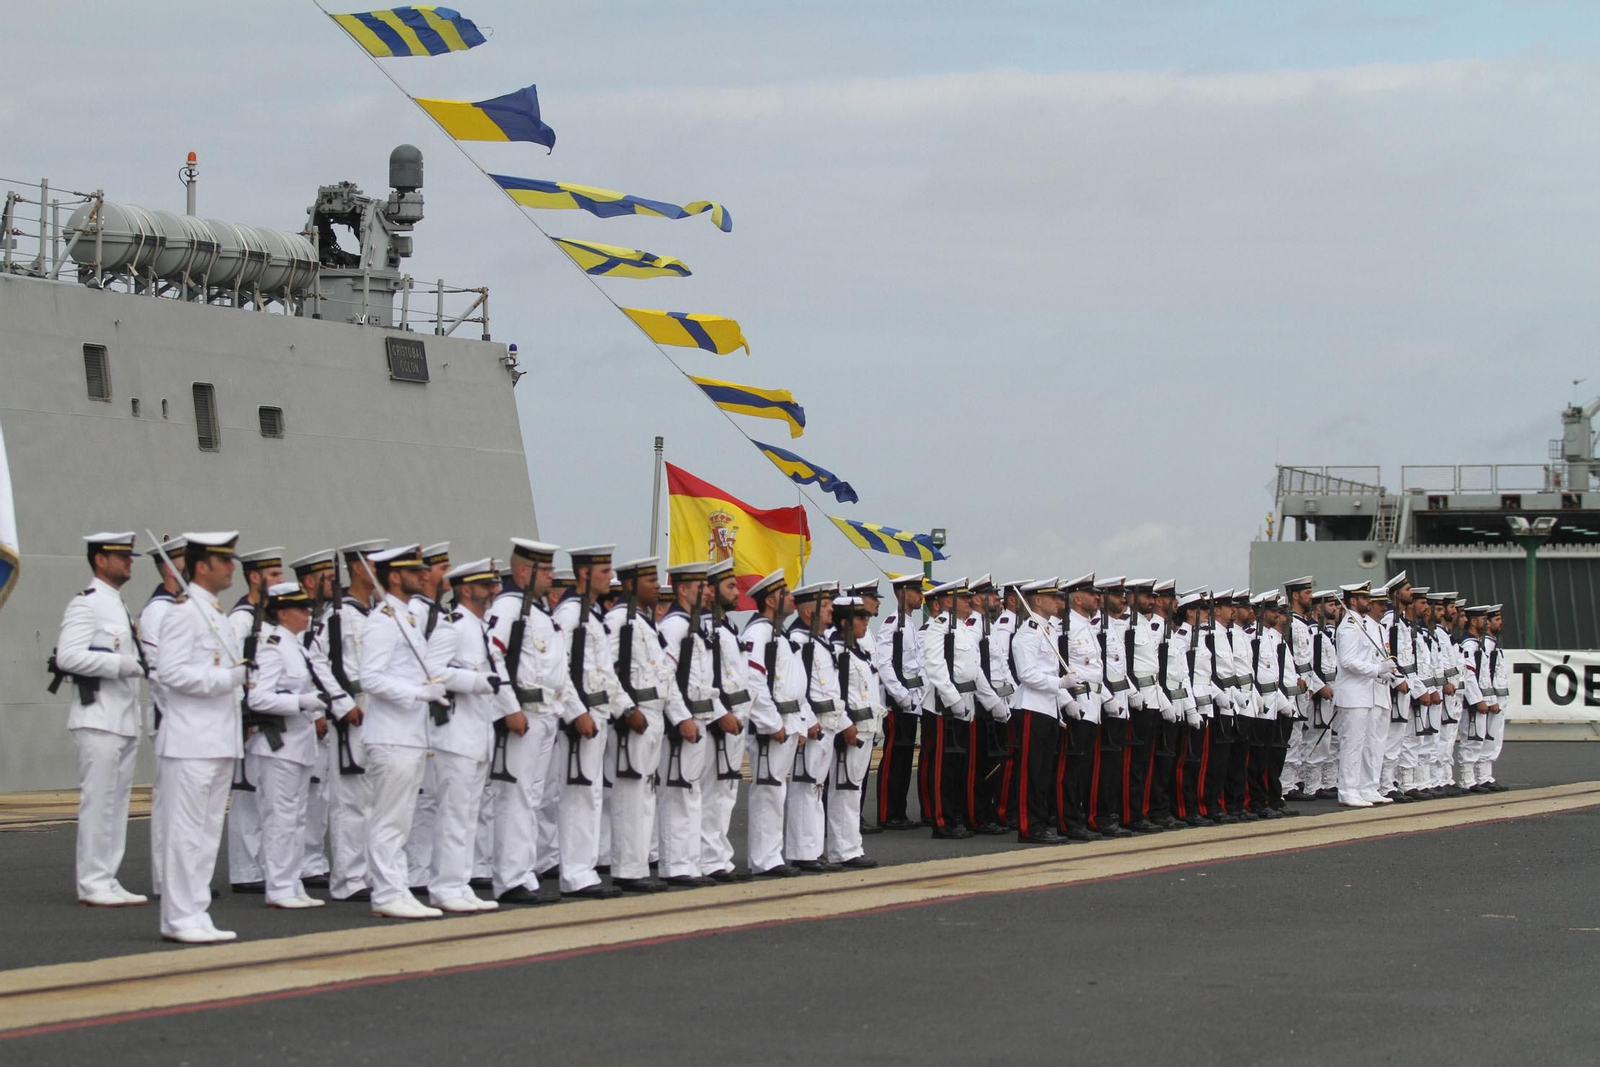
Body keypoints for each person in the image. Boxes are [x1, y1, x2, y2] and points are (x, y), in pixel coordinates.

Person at [155, 531, 245, 944]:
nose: (230, 568)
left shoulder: (215, 613)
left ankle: (196, 910)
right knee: (185, 833)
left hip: (219, 738)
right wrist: (227, 679)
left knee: (207, 835)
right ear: (202, 566)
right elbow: (170, 672)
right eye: (223, 561)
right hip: (190, 741)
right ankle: (178, 917)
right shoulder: (184, 612)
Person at [53, 531, 149, 907]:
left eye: (129, 556)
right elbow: (68, 656)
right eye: (121, 556)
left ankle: (107, 876)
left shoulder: (117, 604)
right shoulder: (87, 604)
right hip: (98, 717)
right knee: (99, 801)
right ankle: (92, 881)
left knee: (117, 802)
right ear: (99, 560)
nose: (128, 562)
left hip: (122, 718)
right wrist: (121, 664)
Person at [359, 544, 446, 919]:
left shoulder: (406, 617)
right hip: (390, 735)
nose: (424, 575)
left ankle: (397, 888)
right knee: (388, 818)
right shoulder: (383, 621)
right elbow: (370, 678)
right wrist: (418, 693)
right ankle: (387, 892)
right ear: (394, 577)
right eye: (414, 571)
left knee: (402, 817)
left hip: (409, 734)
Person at [424, 558, 515, 912]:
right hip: (455, 734)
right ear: (465, 590)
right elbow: (432, 672)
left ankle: (459, 884)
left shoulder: (479, 628)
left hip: (478, 735)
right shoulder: (453, 627)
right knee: (453, 814)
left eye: (494, 584)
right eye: (486, 585)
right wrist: (475, 681)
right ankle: (444, 886)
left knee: (469, 814)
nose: (493, 590)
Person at [245, 581, 331, 910]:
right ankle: (279, 887)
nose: (307, 613)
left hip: (300, 744)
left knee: (296, 818)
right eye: (299, 608)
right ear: (282, 613)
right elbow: (258, 698)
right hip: (278, 745)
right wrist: (301, 702)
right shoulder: (272, 647)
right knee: (280, 818)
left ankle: (292, 883)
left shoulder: (298, 647)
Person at [490, 539, 566, 904]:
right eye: (545, 570)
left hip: (545, 714)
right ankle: (510, 878)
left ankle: (523, 871)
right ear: (524, 571)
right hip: (523, 713)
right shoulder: (508, 609)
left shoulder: (537, 612)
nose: (551, 576)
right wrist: (509, 707)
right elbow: (493, 657)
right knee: (516, 797)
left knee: (532, 797)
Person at [553, 546, 627, 900]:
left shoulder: (591, 614)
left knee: (591, 793)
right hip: (581, 716)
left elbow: (605, 673)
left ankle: (584, 868)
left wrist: (622, 709)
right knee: (578, 794)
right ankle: (575, 873)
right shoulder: (570, 615)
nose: (609, 577)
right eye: (603, 571)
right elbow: (560, 669)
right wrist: (575, 711)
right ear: (584, 574)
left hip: (597, 714)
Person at [605, 558, 676, 893]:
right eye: (650, 580)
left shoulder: (645, 623)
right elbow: (606, 670)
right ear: (631, 585)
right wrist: (625, 709)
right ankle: (627, 868)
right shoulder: (618, 620)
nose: (657, 585)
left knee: (645, 794)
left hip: (653, 713)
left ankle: (637, 865)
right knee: (630, 795)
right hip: (634, 717)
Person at [325, 539, 387, 903]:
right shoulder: (337, 614)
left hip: (378, 710)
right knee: (350, 800)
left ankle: (369, 872)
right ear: (358, 568)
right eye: (375, 566)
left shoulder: (377, 613)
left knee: (374, 798)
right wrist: (340, 703)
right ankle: (349, 879)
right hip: (353, 710)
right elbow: (318, 661)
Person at [224, 546, 284, 895]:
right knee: (247, 795)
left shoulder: (269, 617)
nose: (279, 580)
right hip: (249, 717)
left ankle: (260, 865)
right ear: (254, 577)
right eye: (273, 575)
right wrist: (241, 716)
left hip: (267, 715)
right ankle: (245, 869)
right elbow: (235, 671)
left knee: (265, 796)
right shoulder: (242, 620)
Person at [656, 562, 720, 888]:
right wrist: (681, 717)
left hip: (700, 718)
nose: (707, 592)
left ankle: (689, 861)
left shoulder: (693, 626)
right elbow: (665, 677)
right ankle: (676, 864)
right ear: (682, 589)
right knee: (678, 793)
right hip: (683, 722)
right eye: (700, 586)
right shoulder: (674, 627)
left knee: (691, 792)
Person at [743, 569, 805, 877]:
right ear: (770, 600)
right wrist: (770, 722)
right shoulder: (758, 633)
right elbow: (753, 681)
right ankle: (764, 859)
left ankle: (771, 855)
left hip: (786, 722)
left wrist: (798, 723)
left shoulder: (776, 633)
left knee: (776, 791)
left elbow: (793, 683)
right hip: (771, 727)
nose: (792, 598)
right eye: (786, 594)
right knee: (768, 792)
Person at [140, 535, 187, 899]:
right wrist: (183, 713)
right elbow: (158, 672)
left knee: (186, 805)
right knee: (170, 802)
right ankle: (165, 879)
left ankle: (182, 877)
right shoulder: (158, 611)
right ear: (171, 568)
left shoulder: (182, 606)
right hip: (171, 718)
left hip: (188, 720)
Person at [404, 542, 451, 891]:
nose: (448, 574)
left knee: (435, 795)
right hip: (419, 711)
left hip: (437, 713)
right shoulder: (417, 612)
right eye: (442, 568)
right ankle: (416, 870)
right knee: (422, 797)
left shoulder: (439, 611)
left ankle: (428, 866)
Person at [702, 559, 753, 881]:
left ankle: (719, 857)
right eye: (730, 586)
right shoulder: (706, 628)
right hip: (716, 720)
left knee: (726, 793)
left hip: (736, 718)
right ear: (710, 590)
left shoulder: (729, 628)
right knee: (711, 792)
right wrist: (721, 714)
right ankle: (708, 859)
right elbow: (704, 677)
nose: (737, 592)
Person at [785, 581, 840, 869]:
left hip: (826, 723)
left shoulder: (819, 640)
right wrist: (806, 722)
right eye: (826, 605)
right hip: (812, 724)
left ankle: (813, 849)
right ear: (809, 612)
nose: (832, 609)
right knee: (805, 788)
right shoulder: (799, 640)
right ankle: (802, 851)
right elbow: (800, 687)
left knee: (816, 787)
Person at [825, 596, 882, 869]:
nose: (865, 622)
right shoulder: (838, 651)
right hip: (852, 729)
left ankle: (850, 846)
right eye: (860, 618)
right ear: (845, 622)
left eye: (866, 617)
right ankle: (843, 850)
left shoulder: (857, 651)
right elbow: (837, 693)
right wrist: (844, 725)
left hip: (866, 728)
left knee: (853, 790)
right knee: (844, 790)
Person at [1333, 581, 1401, 808]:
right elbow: (1347, 661)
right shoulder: (1349, 626)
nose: (1368, 602)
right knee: (1352, 745)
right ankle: (1347, 791)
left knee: (1364, 744)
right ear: (1353, 600)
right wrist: (1377, 669)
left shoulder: (1361, 624)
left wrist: (1385, 671)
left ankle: (1365, 788)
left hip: (1365, 693)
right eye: (1364, 598)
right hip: (1352, 694)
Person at [873, 574, 926, 830]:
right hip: (897, 703)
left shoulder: (910, 625)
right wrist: (900, 694)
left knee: (904, 760)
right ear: (903, 593)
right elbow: (884, 664)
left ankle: (899, 812)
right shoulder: (892, 624)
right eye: (917, 591)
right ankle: (887, 813)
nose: (921, 596)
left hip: (911, 700)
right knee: (894, 758)